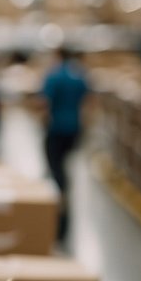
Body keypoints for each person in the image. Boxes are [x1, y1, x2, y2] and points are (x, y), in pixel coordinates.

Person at [40, 46, 91, 240]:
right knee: (64, 167)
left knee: (56, 171)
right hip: (74, 129)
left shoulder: (54, 76)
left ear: (58, 56)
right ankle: (63, 198)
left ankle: (59, 213)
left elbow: (44, 102)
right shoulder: (79, 75)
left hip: (56, 129)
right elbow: (89, 100)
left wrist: (42, 119)